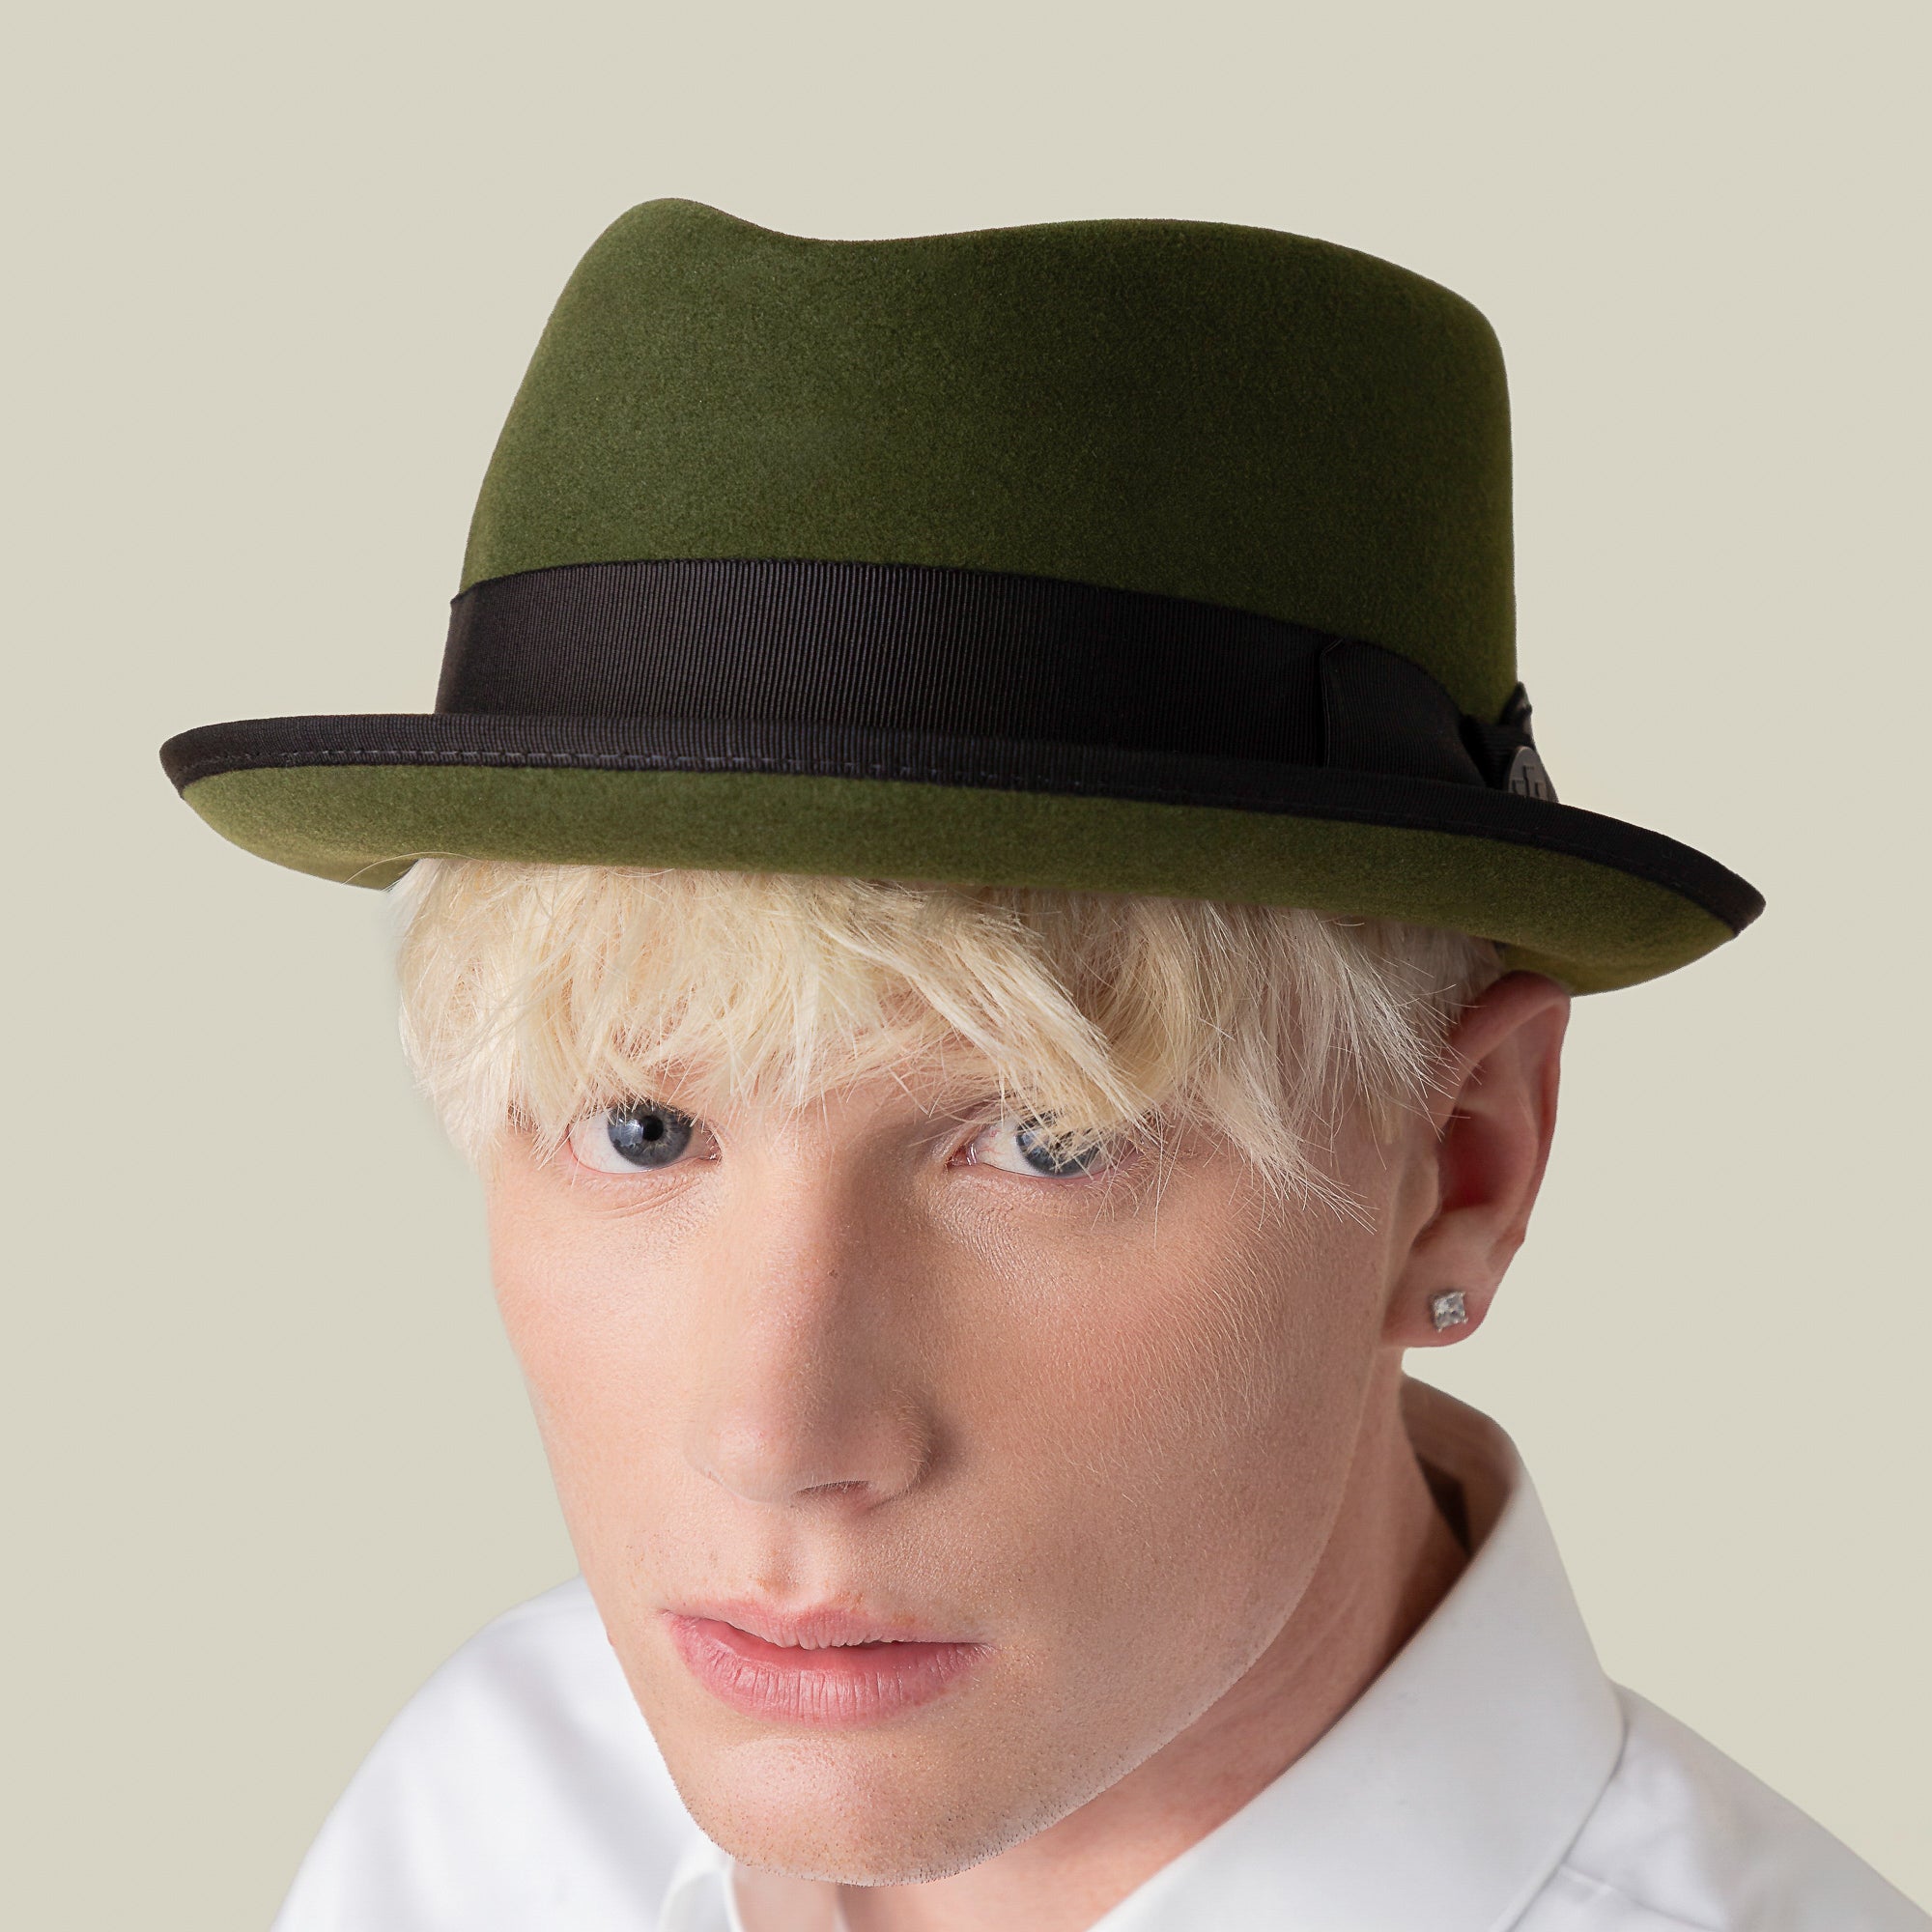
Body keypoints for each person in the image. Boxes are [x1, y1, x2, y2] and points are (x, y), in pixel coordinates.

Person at [160, 199, 1924, 1930]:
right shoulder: (488, 1815)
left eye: (1048, 1140)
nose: (778, 1438)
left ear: (1460, 1169)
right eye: (642, 1128)